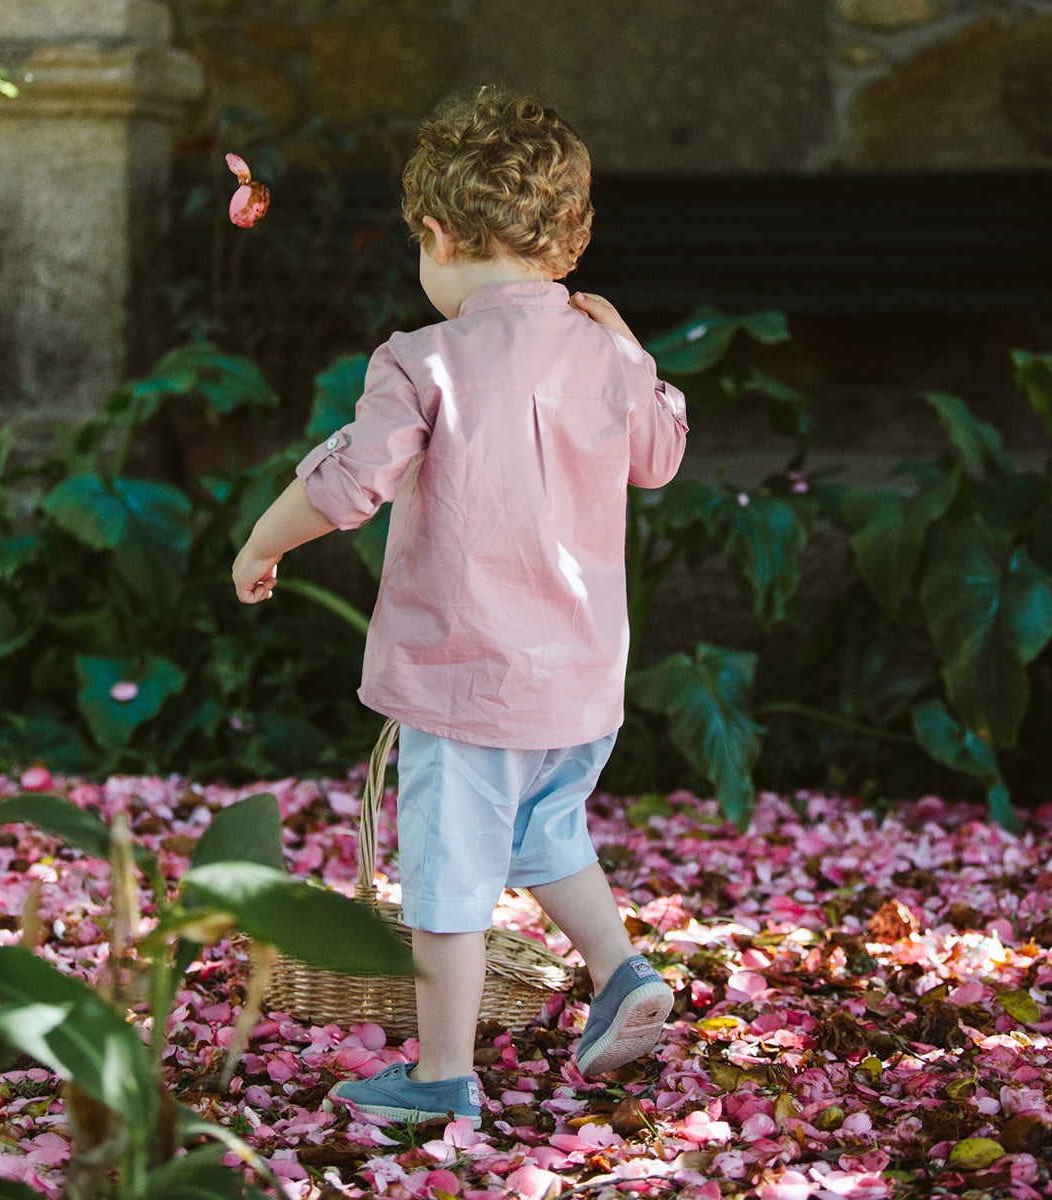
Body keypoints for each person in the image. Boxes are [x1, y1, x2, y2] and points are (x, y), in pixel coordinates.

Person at [232, 87, 688, 1130]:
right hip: (580, 680)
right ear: (565, 243)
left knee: (444, 878)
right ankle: (620, 972)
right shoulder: (602, 348)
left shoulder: (422, 359)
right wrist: (634, 354)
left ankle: (442, 1081)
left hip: (465, 679)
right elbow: (659, 459)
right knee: (546, 833)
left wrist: (261, 541)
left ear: (433, 232)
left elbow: (349, 486)